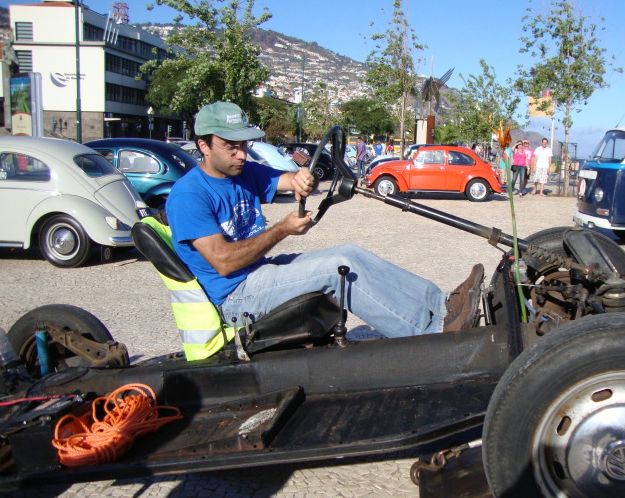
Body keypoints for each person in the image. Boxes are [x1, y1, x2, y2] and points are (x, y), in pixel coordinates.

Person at [166, 101, 483, 340]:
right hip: (236, 296)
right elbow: (223, 262)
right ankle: (428, 335)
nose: (242, 155)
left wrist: (303, 179)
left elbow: (288, 179)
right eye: (231, 147)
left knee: (351, 252)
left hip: (258, 273)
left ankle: (442, 305)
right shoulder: (188, 196)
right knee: (339, 269)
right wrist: (282, 230)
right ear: (203, 146)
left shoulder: (243, 173)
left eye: (244, 145)